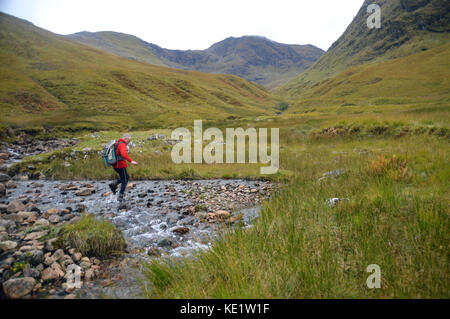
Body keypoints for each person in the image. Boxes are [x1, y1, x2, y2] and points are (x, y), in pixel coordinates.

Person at [109, 133, 138, 202]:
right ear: (126, 139)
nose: (129, 141)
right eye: (129, 140)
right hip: (120, 165)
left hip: (116, 165)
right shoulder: (122, 144)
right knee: (125, 180)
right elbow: (124, 154)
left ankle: (113, 184)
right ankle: (120, 196)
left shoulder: (117, 143)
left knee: (126, 177)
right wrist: (131, 161)